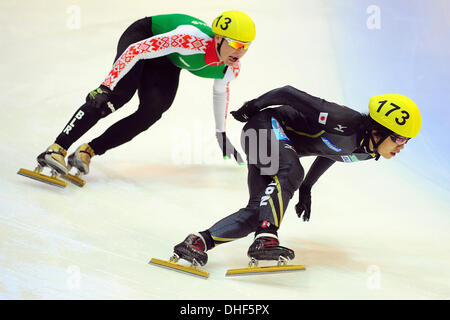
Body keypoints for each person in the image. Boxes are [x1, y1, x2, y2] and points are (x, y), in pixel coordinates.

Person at [172, 85, 422, 266]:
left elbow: (330, 153)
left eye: (406, 141)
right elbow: (288, 94)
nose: (402, 146)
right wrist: (252, 107)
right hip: (263, 126)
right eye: (399, 138)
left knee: (259, 211)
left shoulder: (368, 152)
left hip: (272, 147)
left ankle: (198, 242)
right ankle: (265, 239)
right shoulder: (342, 120)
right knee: (291, 171)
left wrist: (307, 188)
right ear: (378, 131)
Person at [36, 11, 256, 178]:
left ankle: (88, 151)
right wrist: (105, 86)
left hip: (167, 60)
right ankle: (57, 148)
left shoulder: (231, 67)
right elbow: (136, 51)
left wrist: (220, 132)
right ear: (218, 39)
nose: (240, 53)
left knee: (152, 111)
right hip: (144, 37)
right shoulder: (191, 39)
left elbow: (220, 92)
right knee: (116, 96)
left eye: (246, 47)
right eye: (236, 45)